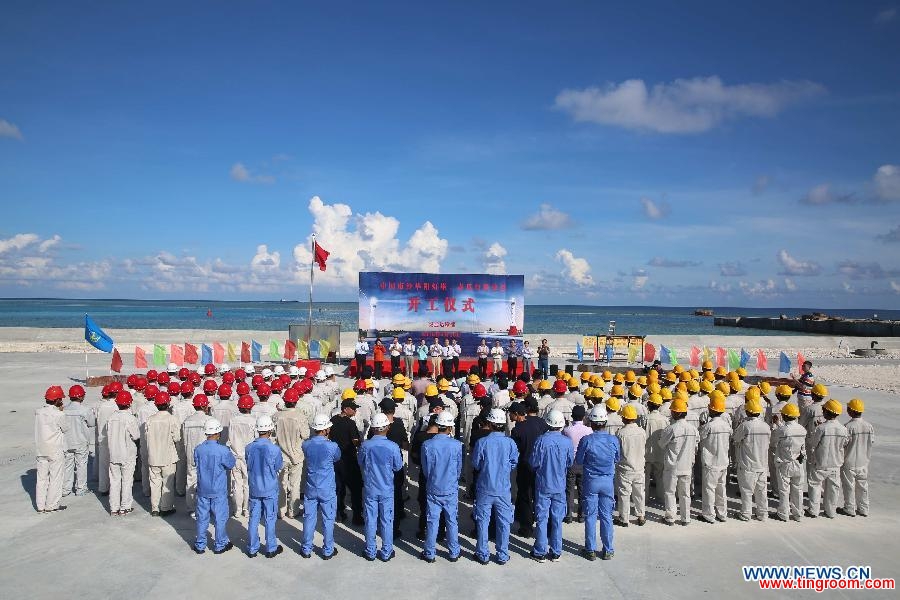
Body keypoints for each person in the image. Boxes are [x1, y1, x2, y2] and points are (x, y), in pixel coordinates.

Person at [470, 408, 519, 565]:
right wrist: (502, 470)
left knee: (483, 521)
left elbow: (476, 464)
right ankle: (503, 554)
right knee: (504, 522)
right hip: (503, 488)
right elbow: (513, 462)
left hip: (485, 487)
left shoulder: (482, 442)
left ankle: (482, 554)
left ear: (489, 424)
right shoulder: (510, 443)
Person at [529, 410, 574, 563]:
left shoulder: (541, 440)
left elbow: (534, 462)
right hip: (559, 486)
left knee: (542, 519)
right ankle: (556, 551)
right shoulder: (567, 442)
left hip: (543, 485)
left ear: (547, 423)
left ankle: (540, 551)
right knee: (557, 519)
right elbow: (569, 463)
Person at [358, 413, 404, 561]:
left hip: (370, 487)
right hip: (386, 489)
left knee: (370, 519)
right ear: (387, 428)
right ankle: (386, 551)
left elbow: (361, 462)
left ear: (373, 428)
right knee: (386, 520)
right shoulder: (393, 446)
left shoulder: (365, 445)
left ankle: (370, 551)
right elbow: (397, 467)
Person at [575, 405, 619, 561]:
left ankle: (590, 549)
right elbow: (617, 458)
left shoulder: (586, 440)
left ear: (592, 423)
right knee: (607, 516)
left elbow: (579, 460)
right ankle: (608, 549)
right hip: (607, 481)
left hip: (591, 481)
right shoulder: (613, 440)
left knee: (591, 516)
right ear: (605, 422)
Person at [420, 411, 463, 563]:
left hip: (433, 487)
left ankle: (430, 552)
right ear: (450, 428)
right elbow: (459, 469)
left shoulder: (427, 445)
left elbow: (425, 469)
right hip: (450, 488)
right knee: (452, 520)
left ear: (438, 425)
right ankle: (453, 551)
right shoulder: (457, 445)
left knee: (432, 520)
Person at [301, 414, 342, 559]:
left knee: (309, 518)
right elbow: (337, 457)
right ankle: (328, 549)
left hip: (311, 486)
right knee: (328, 519)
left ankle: (306, 548)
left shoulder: (306, 444)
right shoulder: (332, 446)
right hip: (327, 488)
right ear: (325, 430)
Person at [194, 418, 236, 554]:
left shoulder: (198, 449)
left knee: (202, 518)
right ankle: (220, 544)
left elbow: (196, 464)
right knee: (220, 518)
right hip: (218, 490)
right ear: (218, 433)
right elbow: (230, 464)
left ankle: (200, 545)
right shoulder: (223, 450)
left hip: (203, 489)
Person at [246, 415, 284, 558]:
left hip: (255, 487)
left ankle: (252, 548)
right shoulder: (274, 449)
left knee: (254, 518)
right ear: (270, 430)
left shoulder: (249, 447)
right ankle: (270, 548)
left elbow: (248, 465)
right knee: (270, 518)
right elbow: (278, 466)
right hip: (269, 488)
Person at [658, 398, 699, 525]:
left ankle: (670, 518)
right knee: (685, 494)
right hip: (687, 465)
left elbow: (661, 444)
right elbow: (696, 445)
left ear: (676, 413)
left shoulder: (671, 429)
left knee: (670, 492)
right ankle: (686, 518)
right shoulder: (693, 429)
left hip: (673, 466)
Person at [806, 400, 849, 519]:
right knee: (833, 489)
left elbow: (813, 443)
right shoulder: (843, 429)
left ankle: (813, 511)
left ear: (827, 412)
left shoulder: (821, 428)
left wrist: (814, 430)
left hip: (820, 462)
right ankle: (830, 512)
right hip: (835, 463)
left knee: (815, 486)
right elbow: (845, 443)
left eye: (824, 410)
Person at [511, 399, 548, 537]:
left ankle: (526, 527)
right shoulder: (541, 423)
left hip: (525, 466)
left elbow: (515, 451)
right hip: (539, 466)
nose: (510, 417)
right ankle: (541, 524)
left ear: (516, 414)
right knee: (538, 495)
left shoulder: (517, 430)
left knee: (525, 495)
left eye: (511, 414)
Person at [732, 398, 769, 521]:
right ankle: (762, 514)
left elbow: (736, 439)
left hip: (748, 464)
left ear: (747, 412)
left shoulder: (745, 426)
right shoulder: (765, 426)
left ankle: (746, 514)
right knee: (761, 491)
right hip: (762, 464)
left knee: (747, 491)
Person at [144, 392, 180, 517]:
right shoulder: (172, 419)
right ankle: (166, 507)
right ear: (168, 403)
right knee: (167, 482)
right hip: (168, 456)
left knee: (154, 483)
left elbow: (146, 436)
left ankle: (155, 508)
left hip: (153, 456)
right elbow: (177, 438)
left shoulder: (150, 420)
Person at [35, 386, 70, 513]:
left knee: (41, 479)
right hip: (55, 449)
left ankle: (40, 506)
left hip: (41, 449)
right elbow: (66, 428)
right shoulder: (59, 414)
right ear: (56, 400)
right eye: (60, 399)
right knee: (55, 478)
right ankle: (52, 505)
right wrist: (61, 411)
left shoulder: (38, 412)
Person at [697, 391, 731, 523]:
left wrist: (702, 425)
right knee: (721, 489)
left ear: (711, 410)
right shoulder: (726, 425)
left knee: (709, 489)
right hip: (723, 461)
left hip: (711, 462)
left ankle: (709, 515)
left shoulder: (709, 426)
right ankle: (722, 514)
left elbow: (700, 436)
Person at [330, 398, 364, 524]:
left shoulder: (333, 420)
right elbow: (355, 441)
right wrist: (361, 443)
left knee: (339, 488)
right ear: (345, 409)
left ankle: (339, 513)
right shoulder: (350, 423)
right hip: (349, 459)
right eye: (353, 408)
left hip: (336, 460)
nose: (355, 410)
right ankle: (357, 515)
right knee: (356, 488)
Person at [275, 388, 307, 519]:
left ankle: (281, 511)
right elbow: (305, 435)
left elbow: (272, 435)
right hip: (296, 456)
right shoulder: (300, 416)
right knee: (295, 485)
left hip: (281, 456)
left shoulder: (276, 416)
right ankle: (293, 511)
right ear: (296, 401)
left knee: (281, 484)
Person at [839, 399, 875, 518]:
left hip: (849, 461)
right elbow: (872, 441)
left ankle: (849, 508)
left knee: (849, 486)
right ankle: (863, 508)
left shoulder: (848, 427)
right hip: (864, 461)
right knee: (863, 486)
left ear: (851, 411)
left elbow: (843, 444)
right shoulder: (869, 426)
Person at [770, 403, 806, 522]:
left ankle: (784, 513)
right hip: (798, 463)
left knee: (784, 490)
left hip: (785, 463)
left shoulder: (783, 430)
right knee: (798, 489)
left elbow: (774, 440)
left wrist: (776, 425)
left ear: (784, 416)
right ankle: (798, 514)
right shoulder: (802, 429)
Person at [106, 391, 140, 516]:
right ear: (129, 403)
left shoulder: (112, 417)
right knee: (126, 481)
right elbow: (136, 436)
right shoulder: (130, 418)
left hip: (114, 453)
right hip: (127, 454)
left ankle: (114, 508)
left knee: (114, 482)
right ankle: (125, 507)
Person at [615, 405, 647, 527]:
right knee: (639, 492)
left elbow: (618, 450)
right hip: (639, 467)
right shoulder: (641, 431)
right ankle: (641, 515)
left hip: (625, 468)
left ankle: (624, 518)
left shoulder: (620, 433)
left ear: (623, 418)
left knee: (624, 493)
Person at [228, 395, 257, 517]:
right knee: (248, 483)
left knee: (237, 484)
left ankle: (237, 510)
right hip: (248, 457)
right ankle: (246, 509)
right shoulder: (254, 421)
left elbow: (230, 438)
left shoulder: (233, 420)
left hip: (235, 455)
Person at [63, 385, 94, 497]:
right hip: (81, 441)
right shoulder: (85, 410)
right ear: (81, 396)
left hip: (67, 441)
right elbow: (91, 423)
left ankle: (66, 489)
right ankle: (81, 488)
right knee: (81, 465)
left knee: (68, 465)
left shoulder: (64, 410)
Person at [182, 394, 211, 516]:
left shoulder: (187, 420)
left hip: (191, 452)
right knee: (207, 480)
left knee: (191, 479)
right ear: (205, 406)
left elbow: (184, 439)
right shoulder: (209, 420)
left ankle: (191, 508)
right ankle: (205, 507)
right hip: (205, 454)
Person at [562, 404, 590, 523]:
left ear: (572, 416)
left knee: (569, 490)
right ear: (583, 417)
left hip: (571, 463)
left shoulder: (567, 430)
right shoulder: (589, 430)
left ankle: (568, 515)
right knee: (582, 490)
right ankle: (582, 515)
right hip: (583, 463)